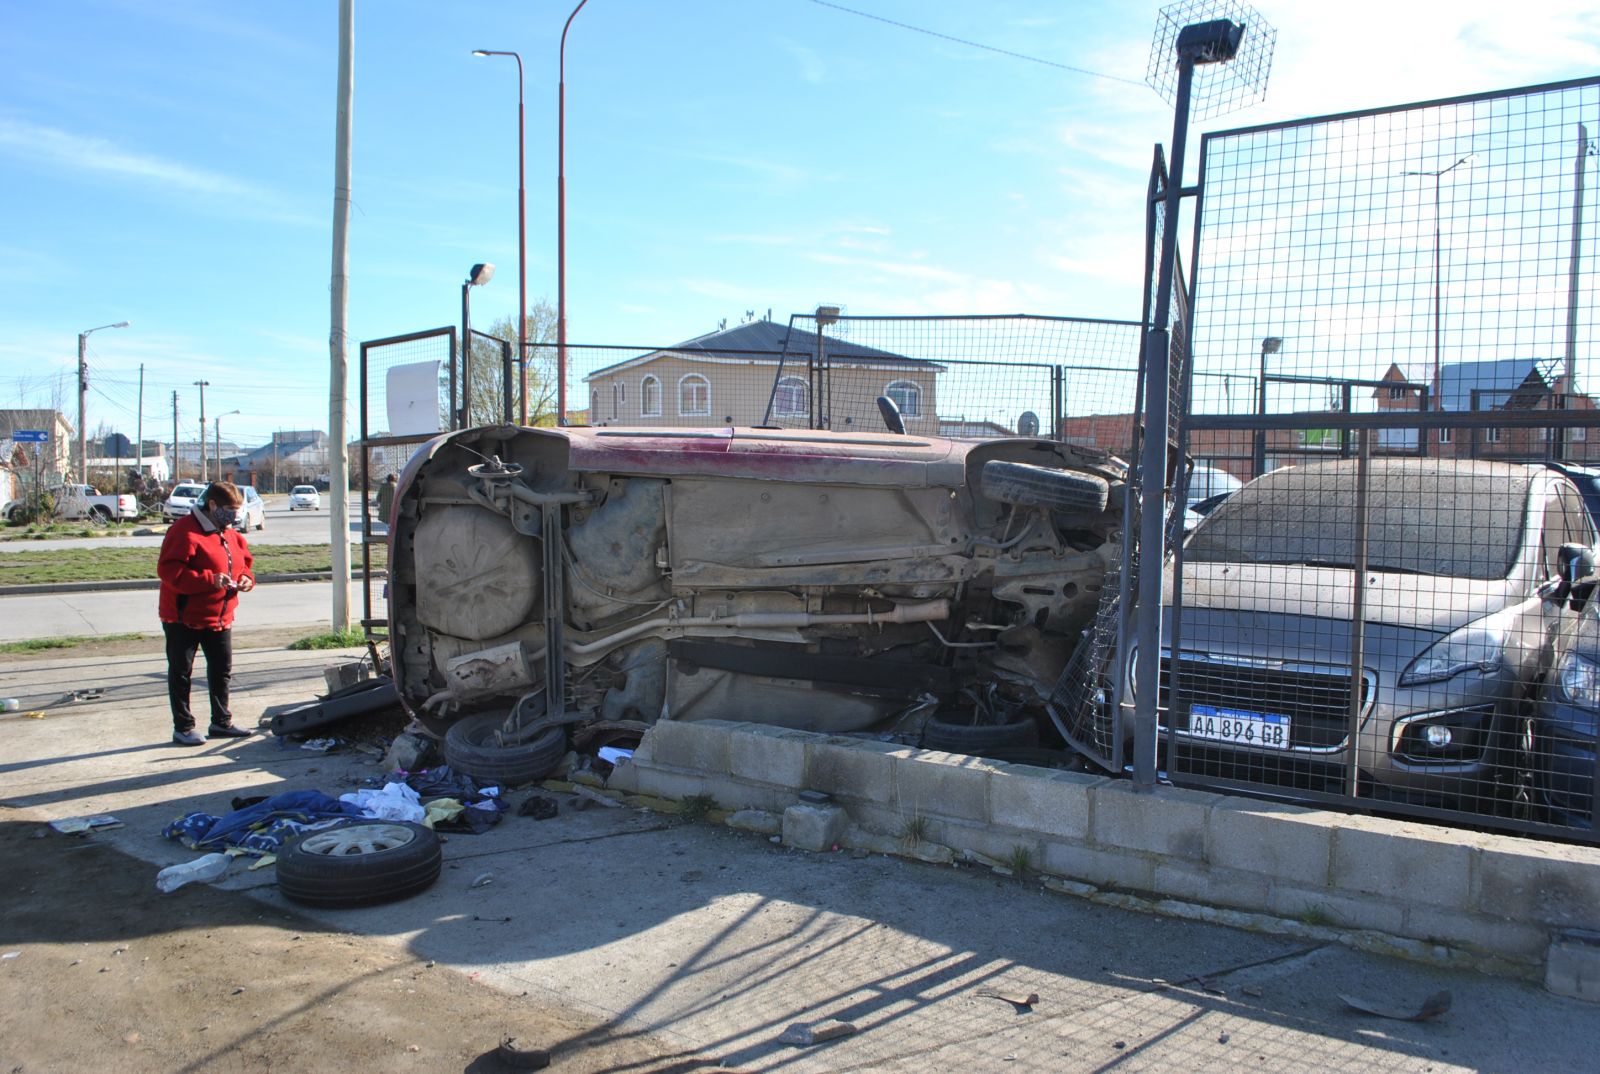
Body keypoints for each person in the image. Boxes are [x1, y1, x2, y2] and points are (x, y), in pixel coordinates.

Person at [157, 480, 256, 746]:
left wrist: (246, 579)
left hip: (221, 616)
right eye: (229, 509)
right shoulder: (184, 531)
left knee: (221, 670)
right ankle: (184, 726)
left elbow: (245, 563)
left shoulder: (231, 534)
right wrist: (208, 579)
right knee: (181, 672)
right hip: (183, 617)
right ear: (212, 505)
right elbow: (169, 572)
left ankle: (221, 722)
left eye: (237, 509)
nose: (233, 515)